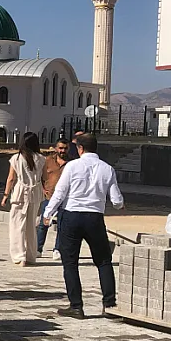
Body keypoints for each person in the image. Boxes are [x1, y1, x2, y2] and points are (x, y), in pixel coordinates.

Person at [42, 133, 123, 319]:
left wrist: (48, 214)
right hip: (95, 218)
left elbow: (60, 192)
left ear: (80, 148)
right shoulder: (107, 169)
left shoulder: (72, 166)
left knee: (70, 263)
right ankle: (109, 305)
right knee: (103, 261)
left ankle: (76, 306)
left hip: (72, 216)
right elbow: (117, 200)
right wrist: (119, 205)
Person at [2, 132, 46, 266]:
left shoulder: (16, 158)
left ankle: (19, 256)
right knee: (31, 225)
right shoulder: (41, 159)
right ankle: (31, 256)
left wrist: (5, 195)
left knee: (17, 225)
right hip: (35, 193)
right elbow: (43, 178)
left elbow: (11, 178)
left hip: (20, 193)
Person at [37, 138, 71, 259]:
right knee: (43, 223)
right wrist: (42, 188)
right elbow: (40, 176)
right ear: (56, 148)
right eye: (60, 148)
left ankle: (57, 249)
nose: (63, 150)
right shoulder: (48, 161)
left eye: (65, 148)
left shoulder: (72, 163)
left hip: (66, 199)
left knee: (62, 225)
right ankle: (38, 248)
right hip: (50, 197)